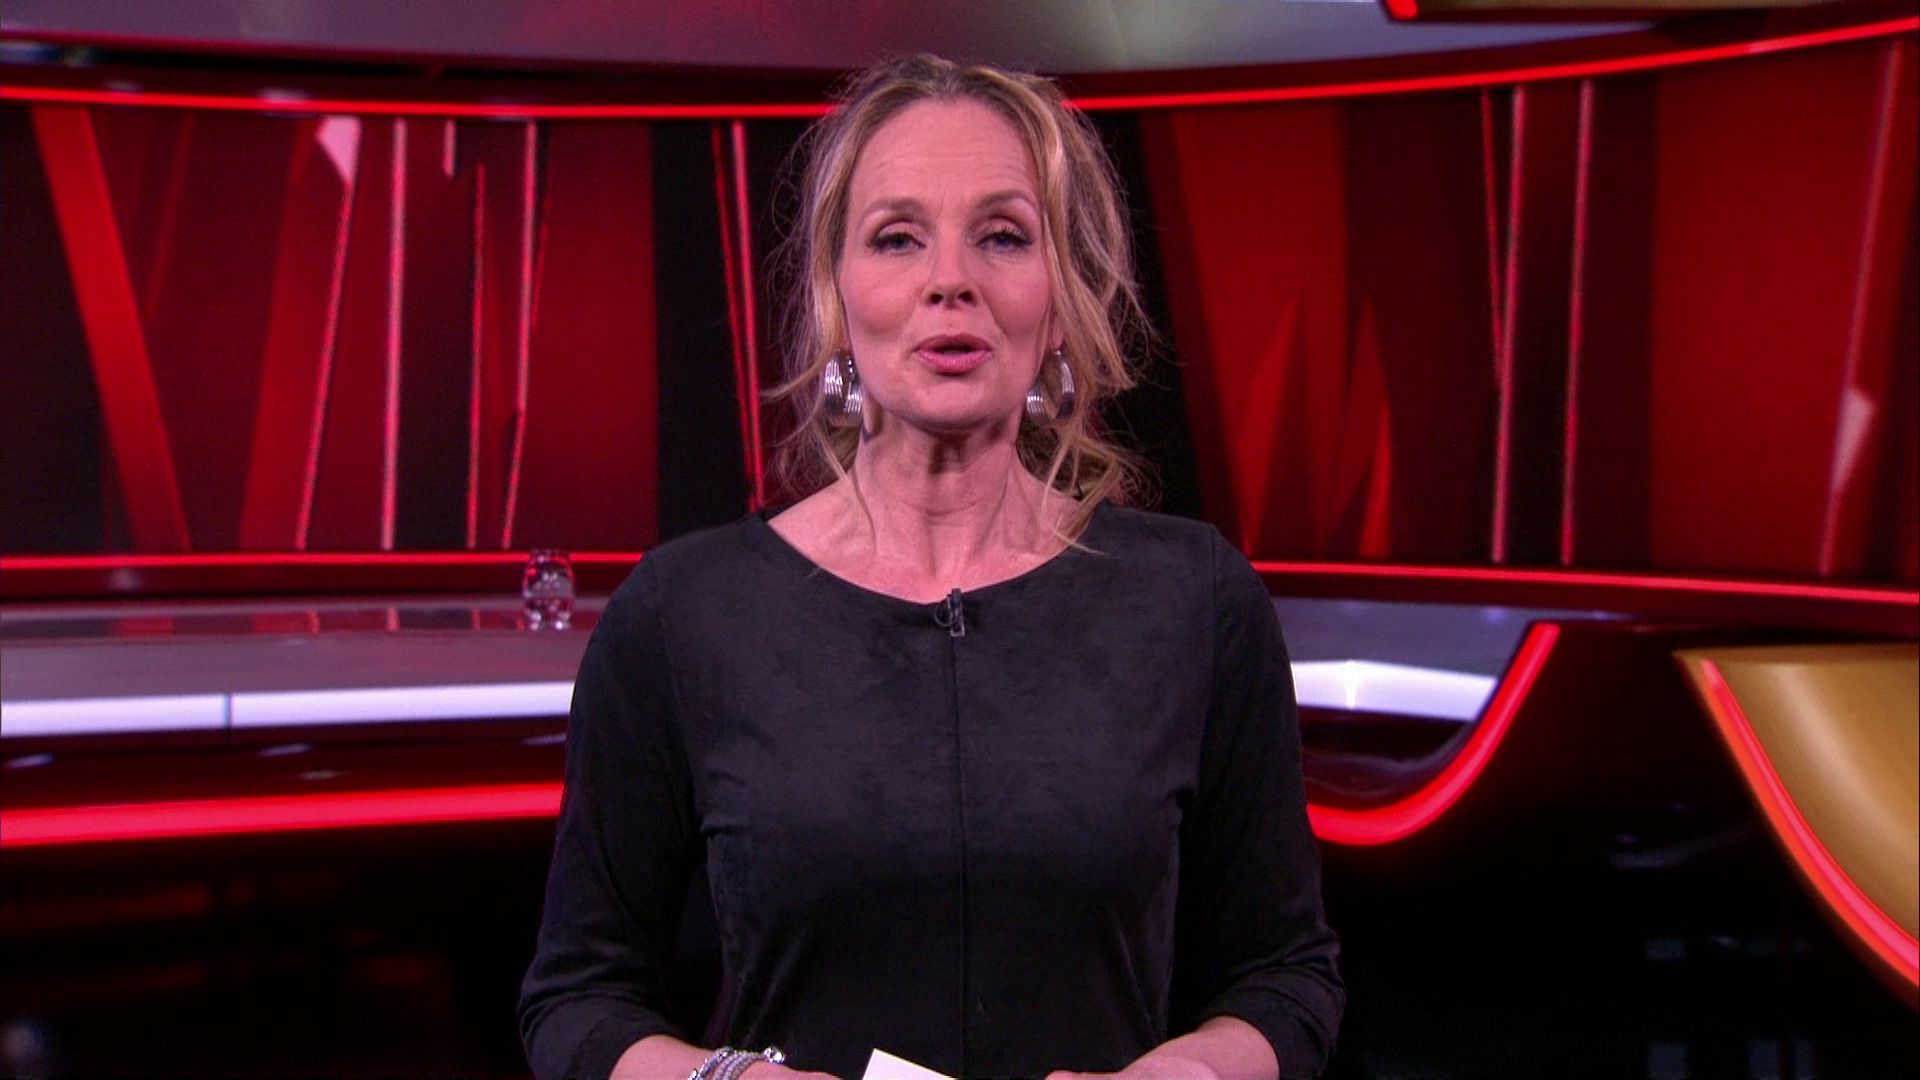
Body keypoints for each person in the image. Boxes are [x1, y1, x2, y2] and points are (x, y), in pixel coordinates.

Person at [518, 53, 1342, 1080]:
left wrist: (1192, 1074)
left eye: (1003, 235)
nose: (951, 280)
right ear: (837, 294)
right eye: (897, 238)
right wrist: (723, 1078)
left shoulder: (1194, 600)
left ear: (1060, 299)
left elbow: (1285, 978)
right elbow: (578, 1000)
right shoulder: (685, 613)